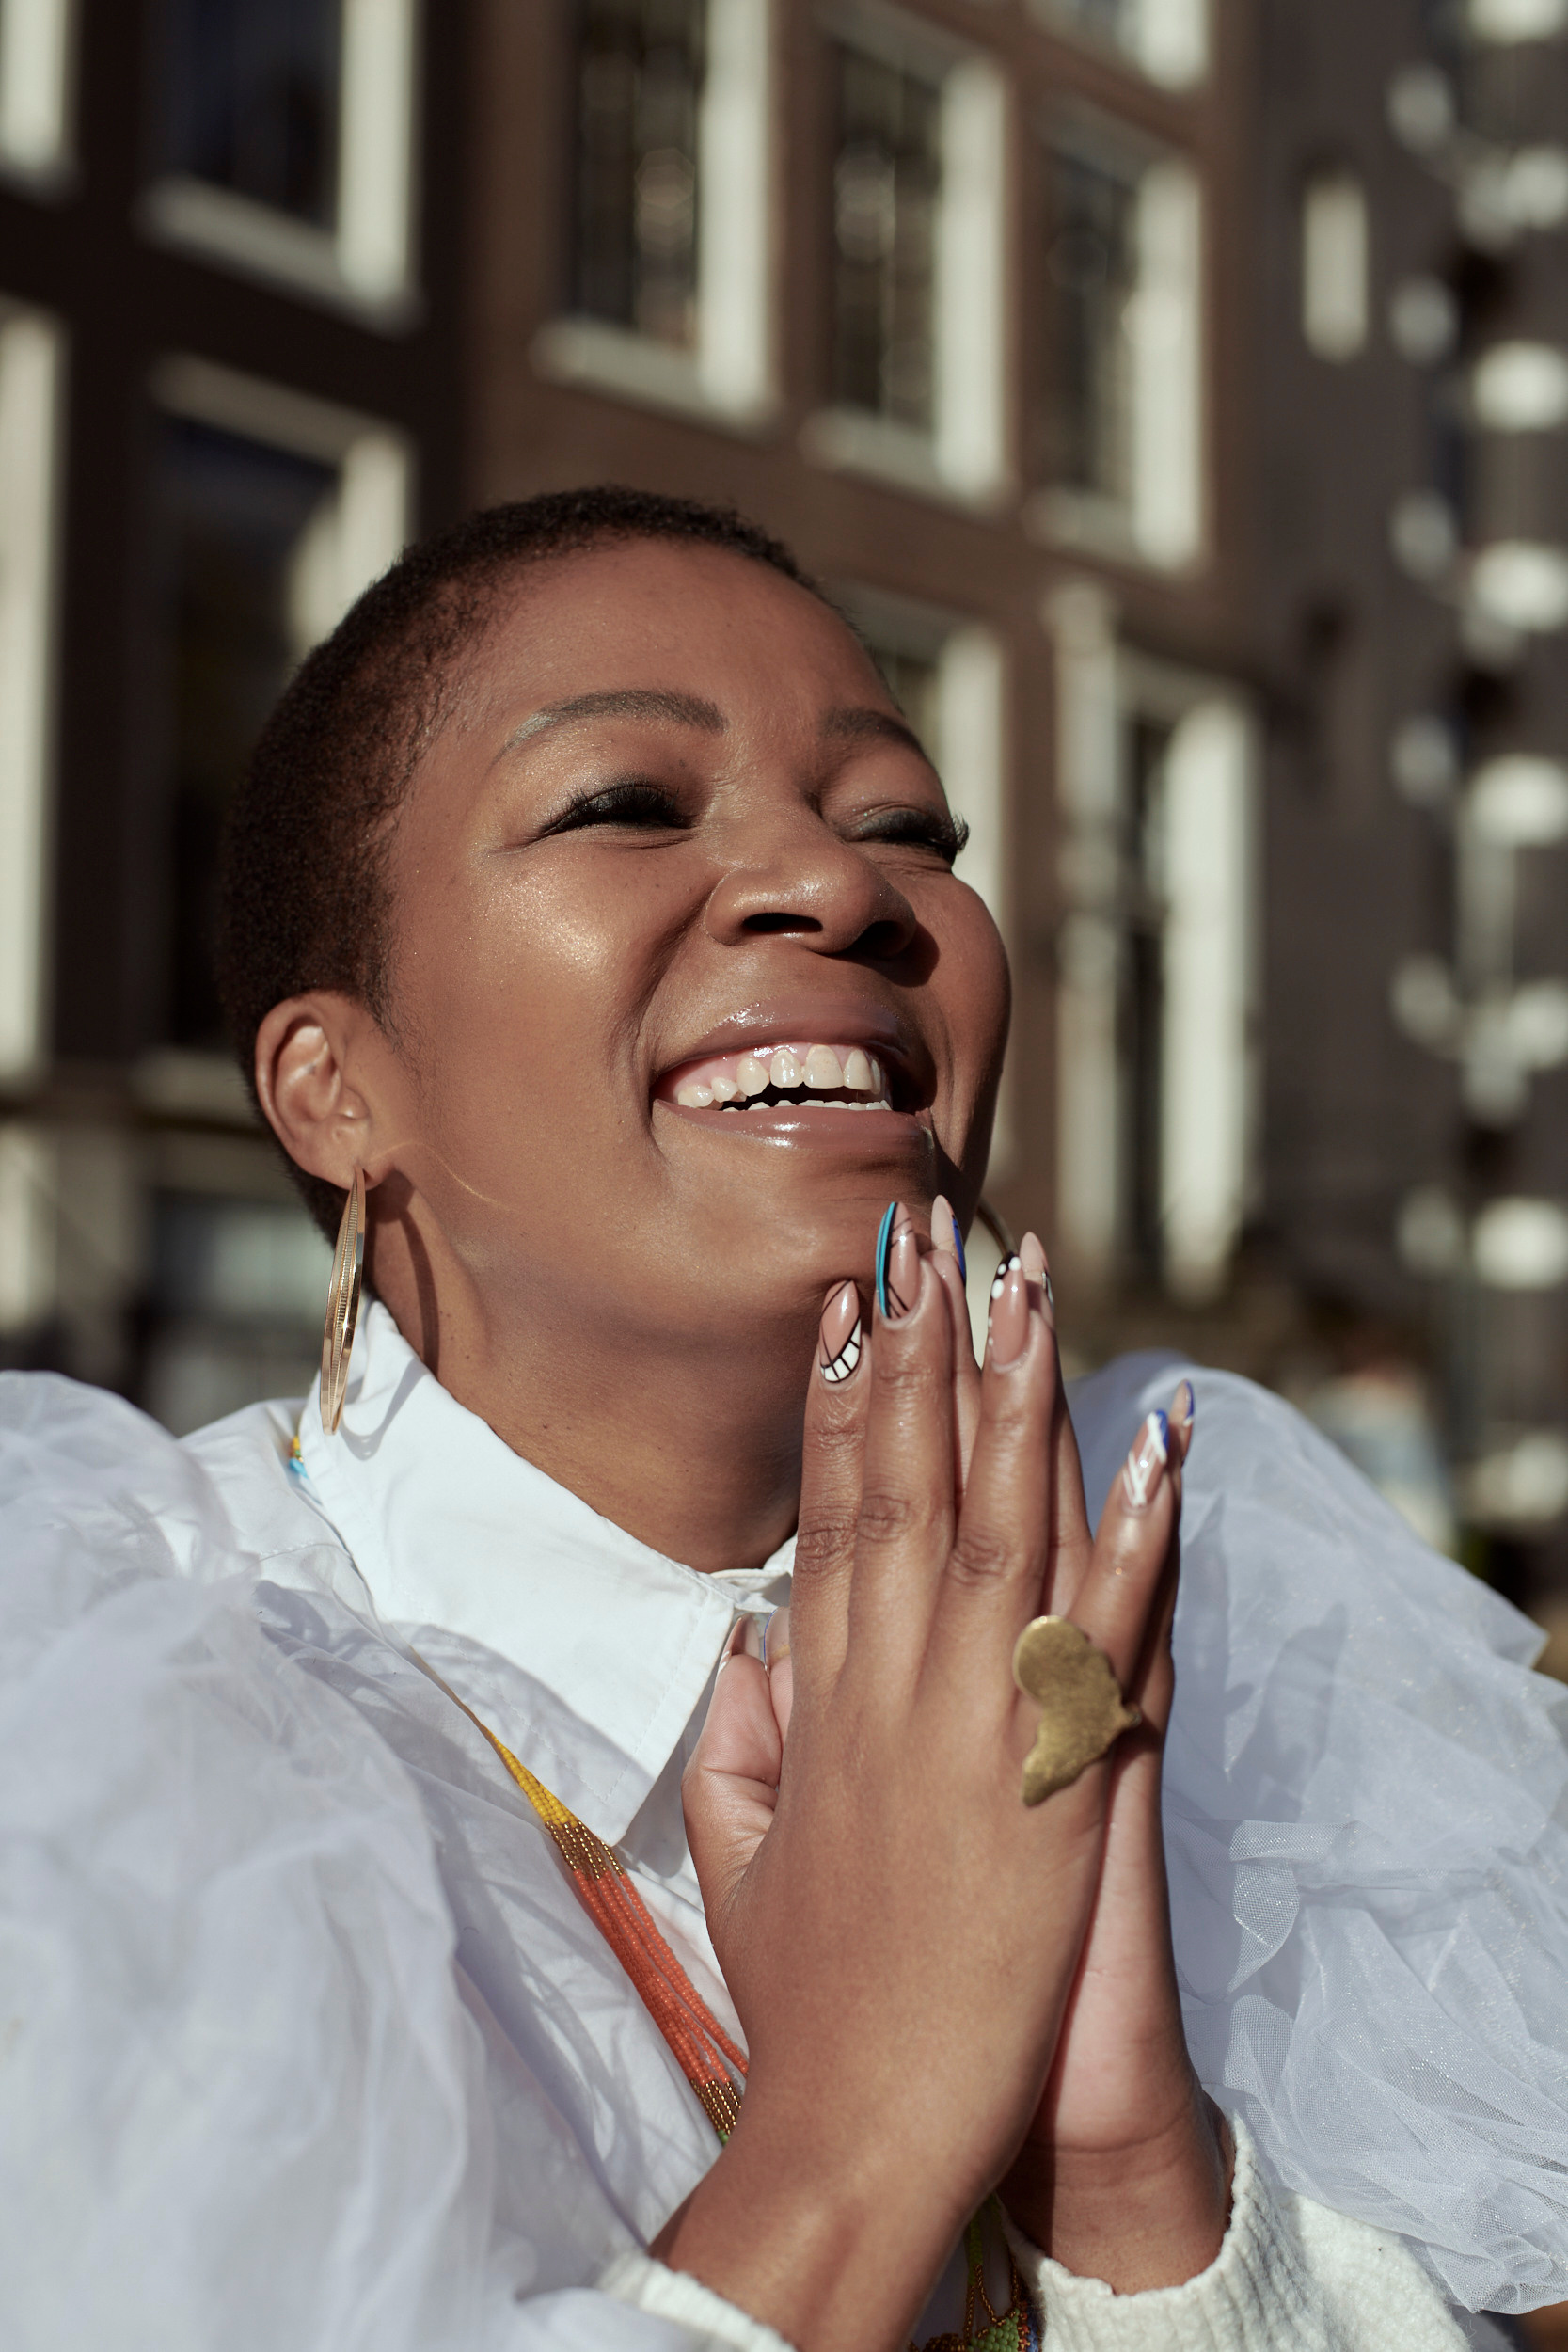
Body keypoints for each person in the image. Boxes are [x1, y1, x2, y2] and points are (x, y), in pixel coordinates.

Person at [3, 489, 1566, 2352]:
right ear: (334, 1089)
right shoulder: (104, 1723)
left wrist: (1130, 2172)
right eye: (624, 803)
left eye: (906, 828)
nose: (838, 887)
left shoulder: (1217, 1648)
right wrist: (854, 2138)